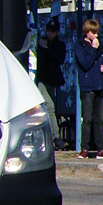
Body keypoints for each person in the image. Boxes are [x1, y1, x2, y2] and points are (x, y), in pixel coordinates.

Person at [75, 18, 103, 159]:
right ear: (87, 32)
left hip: (101, 85)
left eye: (97, 32)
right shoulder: (80, 46)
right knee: (88, 119)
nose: (96, 36)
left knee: (99, 119)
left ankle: (101, 149)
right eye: (93, 32)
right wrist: (93, 49)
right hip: (87, 86)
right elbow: (85, 63)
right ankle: (85, 148)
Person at [35, 19, 66, 149]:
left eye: (52, 32)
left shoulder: (58, 45)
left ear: (57, 32)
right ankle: (55, 136)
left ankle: (52, 136)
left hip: (51, 80)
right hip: (41, 79)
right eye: (48, 31)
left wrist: (46, 48)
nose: (49, 34)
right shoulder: (40, 42)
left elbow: (60, 58)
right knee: (49, 106)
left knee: (49, 108)